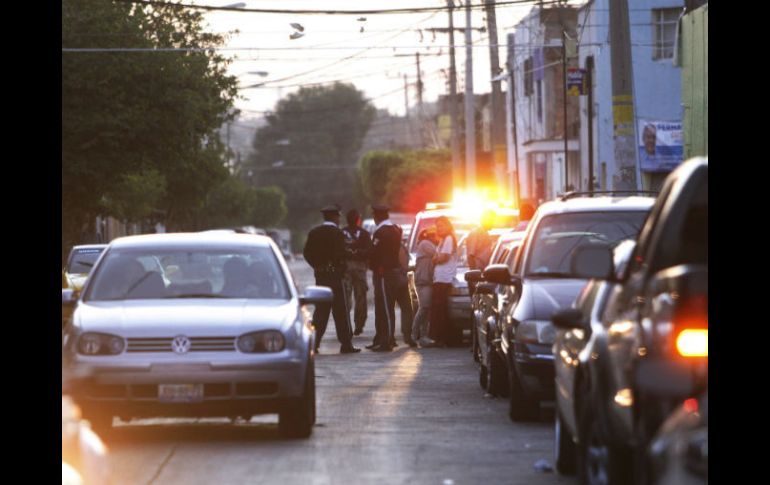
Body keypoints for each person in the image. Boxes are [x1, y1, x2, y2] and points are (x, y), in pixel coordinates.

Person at [303, 205, 360, 354]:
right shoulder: (338, 233)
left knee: (320, 312)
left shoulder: (314, 233)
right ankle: (346, 344)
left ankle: (314, 344)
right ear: (335, 217)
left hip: (321, 277)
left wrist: (317, 266)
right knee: (341, 312)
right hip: (336, 277)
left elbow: (307, 253)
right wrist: (343, 267)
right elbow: (341, 254)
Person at [367, 204, 402, 352]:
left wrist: (373, 264)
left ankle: (386, 341)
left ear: (377, 216)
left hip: (383, 273)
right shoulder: (395, 229)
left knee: (385, 308)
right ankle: (383, 338)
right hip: (391, 271)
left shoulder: (381, 232)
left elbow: (374, 252)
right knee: (386, 306)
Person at [429, 216, 459, 347]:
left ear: (448, 226)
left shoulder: (449, 239)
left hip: (444, 278)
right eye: (437, 226)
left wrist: (435, 259)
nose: (439, 228)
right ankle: (440, 338)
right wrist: (436, 257)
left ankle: (443, 339)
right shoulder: (442, 240)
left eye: (441, 225)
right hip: (439, 278)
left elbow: (443, 257)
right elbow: (437, 256)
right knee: (438, 309)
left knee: (441, 310)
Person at [341, 209, 371, 336]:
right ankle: (359, 325)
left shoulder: (341, 233)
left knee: (345, 298)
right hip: (360, 268)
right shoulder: (364, 233)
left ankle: (345, 324)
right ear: (358, 220)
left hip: (346, 268)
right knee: (360, 298)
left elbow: (339, 251)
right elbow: (369, 251)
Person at [411, 226, 438, 348]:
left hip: (427, 280)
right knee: (424, 307)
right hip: (423, 281)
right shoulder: (425, 244)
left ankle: (423, 336)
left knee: (426, 310)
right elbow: (437, 254)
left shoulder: (427, 244)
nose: (435, 237)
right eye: (433, 235)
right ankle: (413, 335)